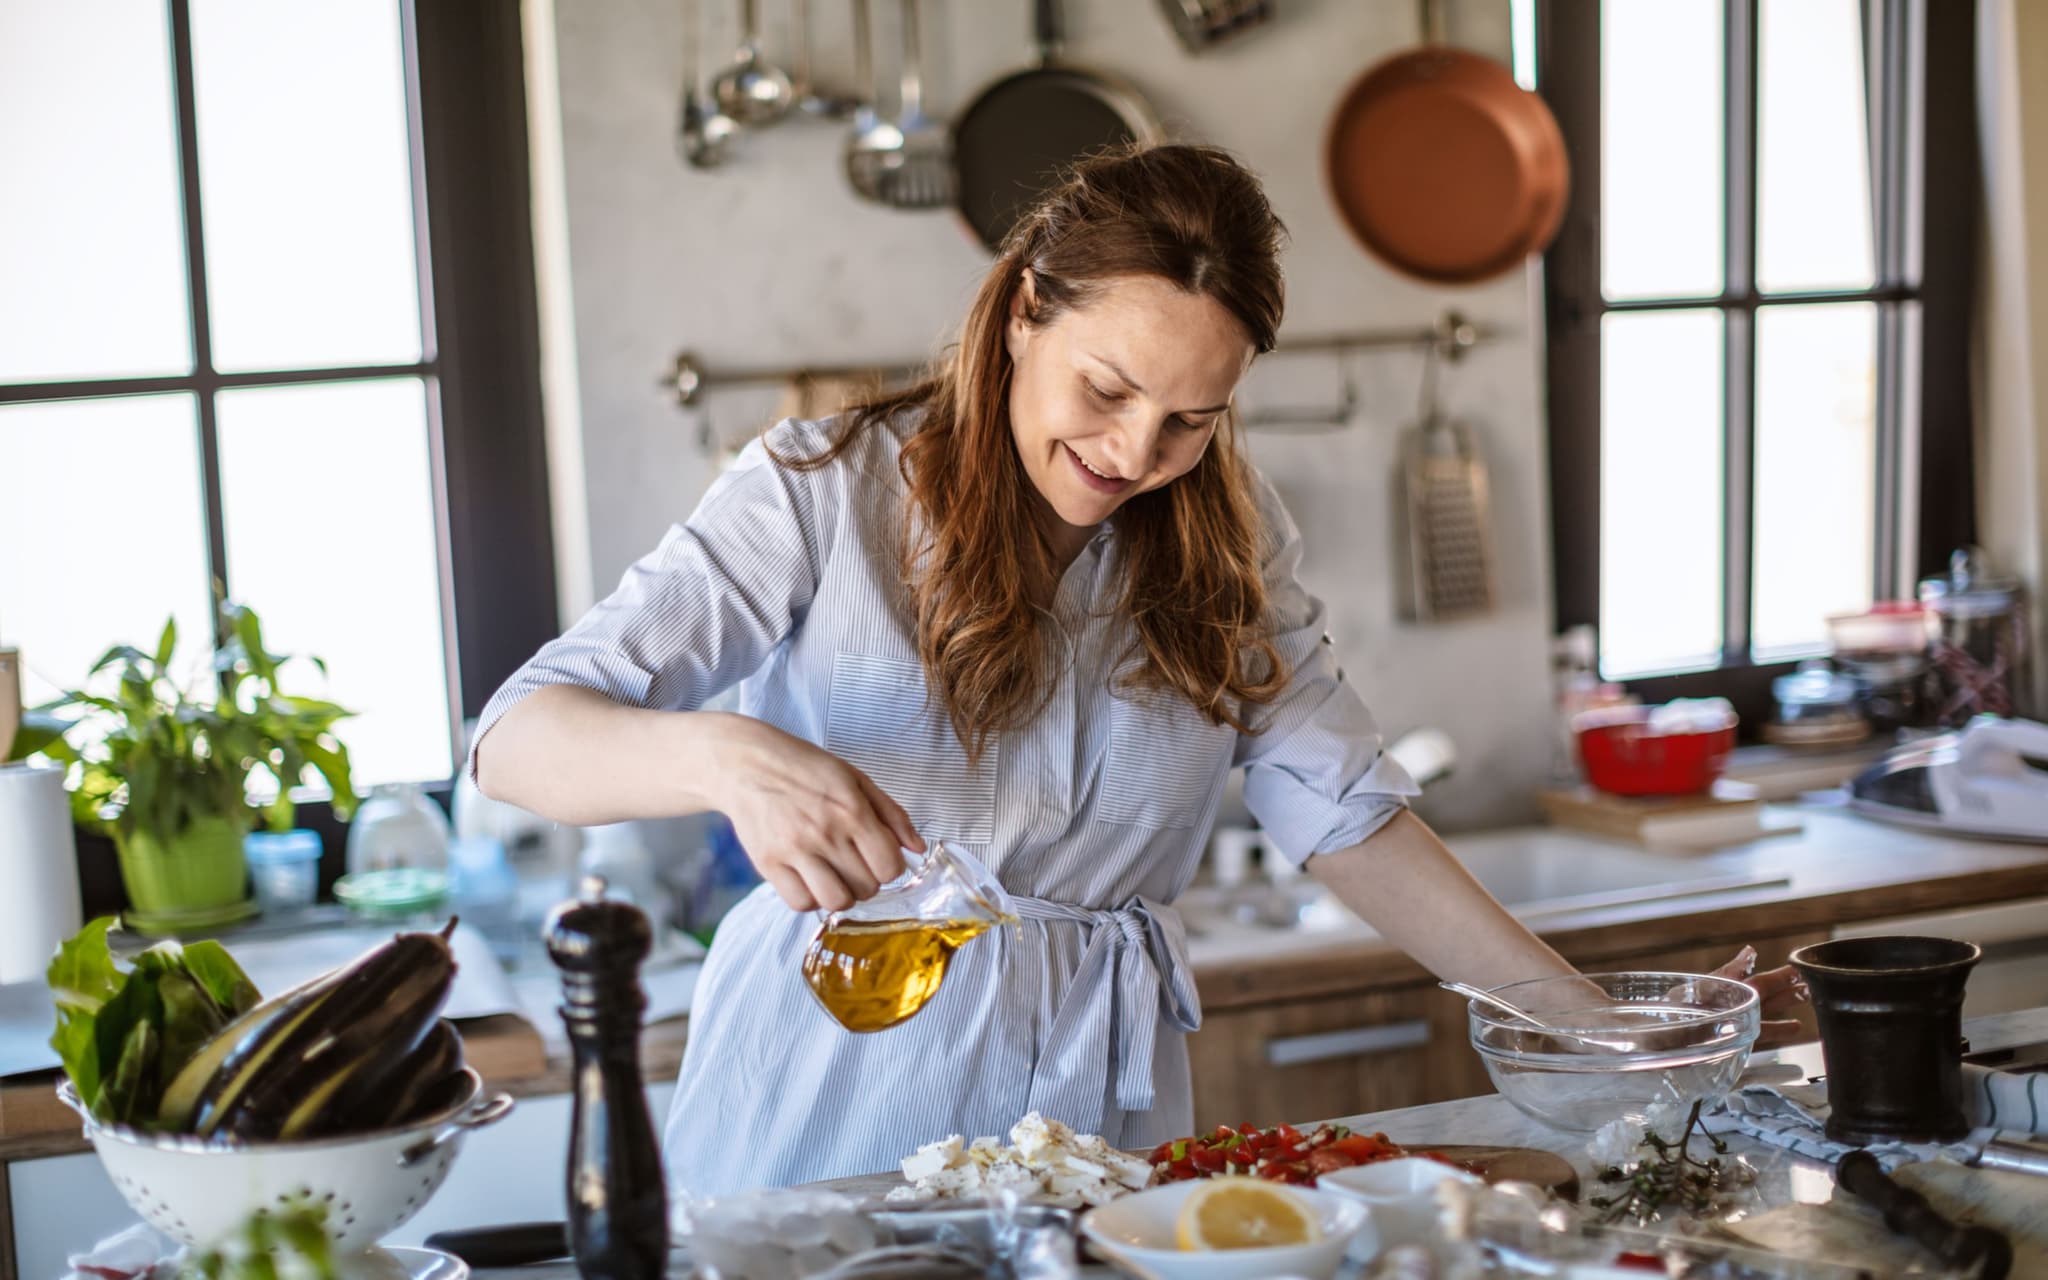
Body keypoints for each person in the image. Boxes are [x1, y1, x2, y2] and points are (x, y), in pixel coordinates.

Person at [471, 144, 1805, 1195]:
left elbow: (1342, 815)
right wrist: (726, 756)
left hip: (1095, 1106)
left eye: (1191, 420)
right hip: (836, 1083)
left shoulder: (1231, 533)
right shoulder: (820, 494)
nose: (1134, 452)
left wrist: (1583, 1023)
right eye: (1105, 390)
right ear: (1021, 316)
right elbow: (516, 738)